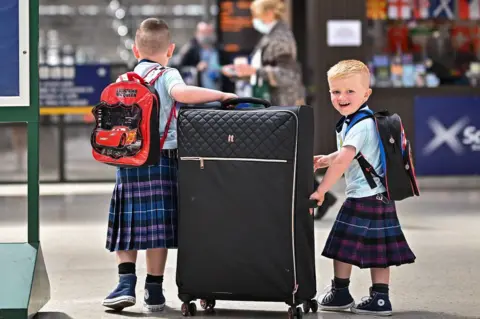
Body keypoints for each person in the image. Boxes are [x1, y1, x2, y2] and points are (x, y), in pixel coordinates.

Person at [102, 18, 237, 313]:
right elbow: (182, 94)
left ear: (136, 50)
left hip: (127, 159)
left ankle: (125, 284)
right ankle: (153, 289)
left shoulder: (126, 79)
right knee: (156, 227)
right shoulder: (167, 74)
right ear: (171, 49)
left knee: (129, 222)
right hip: (161, 158)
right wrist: (223, 95)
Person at [310, 59, 416, 316]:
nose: (341, 97)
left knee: (342, 247)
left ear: (366, 93)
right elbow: (353, 153)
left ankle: (340, 292)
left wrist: (322, 189)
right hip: (380, 197)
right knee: (380, 250)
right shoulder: (360, 121)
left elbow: (345, 159)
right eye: (336, 92)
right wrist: (328, 158)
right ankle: (381, 298)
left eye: (350, 91)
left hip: (362, 198)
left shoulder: (358, 125)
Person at [176, 21, 222, 91]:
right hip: (198, 94)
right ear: (197, 33)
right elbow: (178, 68)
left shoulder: (220, 50)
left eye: (209, 32)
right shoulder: (190, 49)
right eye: (204, 32)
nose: (207, 36)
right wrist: (196, 68)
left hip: (220, 93)